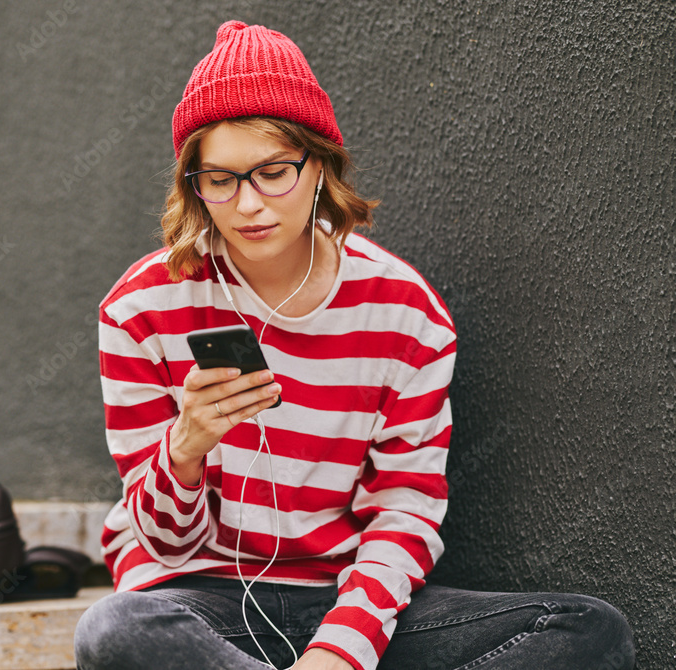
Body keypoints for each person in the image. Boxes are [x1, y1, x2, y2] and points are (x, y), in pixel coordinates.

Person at [75, 20, 635, 670]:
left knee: (589, 632)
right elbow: (164, 547)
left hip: (351, 602)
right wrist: (187, 445)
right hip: (202, 608)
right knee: (115, 632)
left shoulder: (404, 312)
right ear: (193, 184)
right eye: (220, 179)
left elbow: (403, 515)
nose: (248, 204)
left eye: (273, 172)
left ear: (319, 165)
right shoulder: (142, 307)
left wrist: (339, 655)